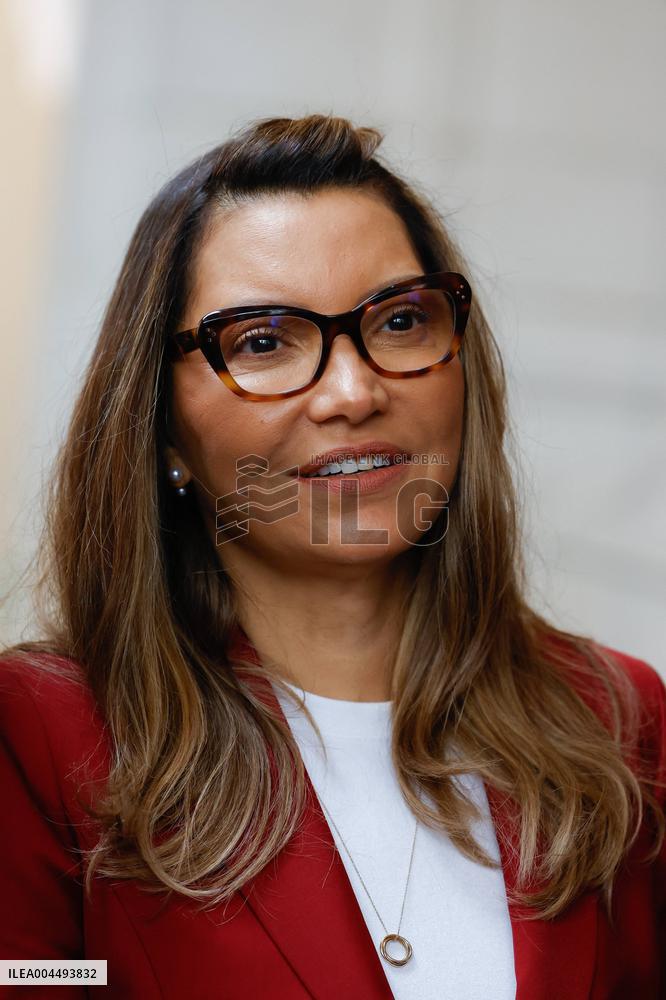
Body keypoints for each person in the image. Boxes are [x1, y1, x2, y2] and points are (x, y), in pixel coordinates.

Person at [0, 113, 664, 1000]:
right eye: (264, 342)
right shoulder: (44, 732)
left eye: (397, 321)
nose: (354, 391)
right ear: (162, 426)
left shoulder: (617, 718)